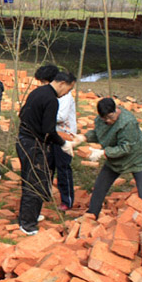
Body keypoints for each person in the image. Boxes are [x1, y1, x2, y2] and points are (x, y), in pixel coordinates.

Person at [16, 70, 75, 235]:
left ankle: (29, 216)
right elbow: (48, 130)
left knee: (32, 179)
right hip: (33, 144)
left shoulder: (37, 92)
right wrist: (63, 143)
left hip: (24, 140)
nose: (66, 94)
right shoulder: (51, 100)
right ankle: (27, 224)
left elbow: (22, 114)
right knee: (34, 183)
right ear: (62, 83)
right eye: (68, 90)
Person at [74, 97, 142, 218]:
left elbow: (126, 148)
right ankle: (92, 214)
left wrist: (102, 153)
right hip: (115, 159)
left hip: (136, 157)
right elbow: (99, 133)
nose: (108, 121)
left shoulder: (128, 122)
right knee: (100, 186)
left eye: (111, 117)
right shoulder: (102, 120)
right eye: (105, 118)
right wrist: (83, 138)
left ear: (116, 109)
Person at [51, 72, 78, 210]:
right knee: (48, 165)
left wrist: (43, 115)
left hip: (65, 135)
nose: (69, 90)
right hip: (51, 134)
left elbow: (61, 116)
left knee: (63, 167)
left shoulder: (66, 97)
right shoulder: (51, 94)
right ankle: (44, 194)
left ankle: (67, 200)